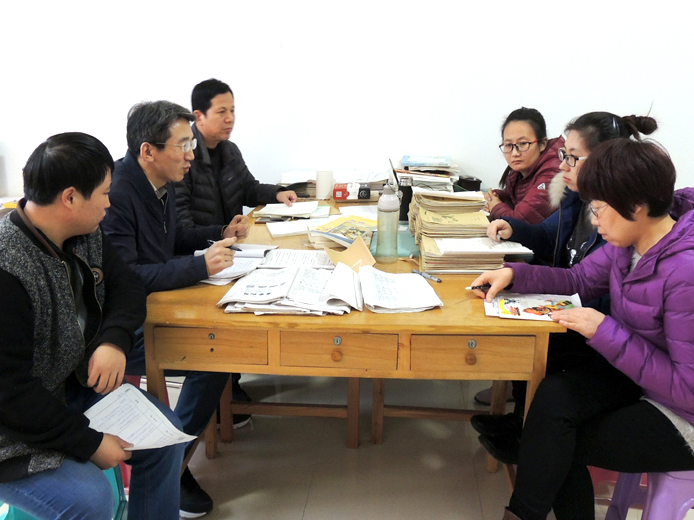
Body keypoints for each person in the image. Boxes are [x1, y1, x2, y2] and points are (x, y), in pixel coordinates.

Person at [470, 139, 694, 520]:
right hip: (635, 379)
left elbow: (687, 390)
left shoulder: (684, 272)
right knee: (553, 401)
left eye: (599, 208)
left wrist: (605, 330)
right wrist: (514, 275)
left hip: (679, 415)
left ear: (636, 206)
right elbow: (577, 279)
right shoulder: (630, 242)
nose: (594, 220)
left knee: (556, 441)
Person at [0, 132, 184, 520]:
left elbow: (128, 286)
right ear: (70, 198)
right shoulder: (8, 268)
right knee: (90, 499)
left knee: (164, 439)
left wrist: (113, 341)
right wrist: (90, 442)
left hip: (68, 388)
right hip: (13, 425)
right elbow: (9, 394)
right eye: (104, 193)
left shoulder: (83, 232)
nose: (109, 203)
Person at [471, 112, 659, 463]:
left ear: (604, 161)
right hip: (576, 308)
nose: (562, 165)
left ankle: (528, 433)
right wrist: (515, 229)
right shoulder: (577, 199)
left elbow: (598, 294)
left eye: (572, 157)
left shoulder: (620, 222)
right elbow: (557, 251)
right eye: (563, 155)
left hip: (600, 331)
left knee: (532, 346)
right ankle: (521, 423)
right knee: (519, 324)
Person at [102, 101, 238, 518]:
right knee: (212, 357)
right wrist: (199, 266)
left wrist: (220, 232)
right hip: (119, 326)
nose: (191, 155)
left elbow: (173, 239)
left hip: (156, 307)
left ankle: (174, 454)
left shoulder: (161, 182)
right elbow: (128, 276)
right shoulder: (118, 193)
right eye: (183, 145)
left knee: (221, 352)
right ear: (148, 150)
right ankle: (172, 461)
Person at [175, 78, 298, 414]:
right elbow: (181, 227)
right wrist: (220, 231)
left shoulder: (229, 151)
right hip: (198, 255)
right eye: (221, 111)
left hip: (230, 249)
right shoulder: (185, 160)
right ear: (198, 116)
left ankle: (231, 379)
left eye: (232, 110)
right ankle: (222, 392)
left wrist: (278, 193)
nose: (230, 118)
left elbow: (248, 187)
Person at [484, 107, 564, 224]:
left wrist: (496, 206)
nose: (515, 153)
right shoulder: (521, 170)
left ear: (542, 144)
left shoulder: (554, 171)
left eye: (522, 144)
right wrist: (497, 197)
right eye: (508, 145)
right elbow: (515, 201)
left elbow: (519, 221)